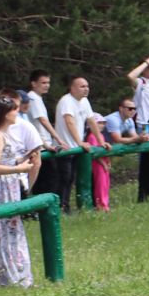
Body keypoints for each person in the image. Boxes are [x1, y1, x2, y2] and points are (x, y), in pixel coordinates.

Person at [0, 93, 41, 286]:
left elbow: (7, 159)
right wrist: (19, 169)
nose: (17, 112)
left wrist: (26, 158)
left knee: (10, 229)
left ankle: (17, 275)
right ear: (5, 114)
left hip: (9, 185)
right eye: (14, 109)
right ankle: (5, 277)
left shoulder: (4, 134)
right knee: (1, 229)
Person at [23, 71, 70, 207]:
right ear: (33, 83)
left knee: (46, 179)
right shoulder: (33, 98)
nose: (47, 85)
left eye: (48, 82)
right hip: (40, 147)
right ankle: (42, 208)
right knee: (48, 179)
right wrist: (59, 139)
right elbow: (43, 120)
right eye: (43, 82)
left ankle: (41, 208)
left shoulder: (38, 98)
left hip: (43, 144)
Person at [53, 75, 96, 211]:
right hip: (65, 147)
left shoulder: (85, 101)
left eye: (87, 86)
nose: (86, 89)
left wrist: (101, 141)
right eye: (82, 86)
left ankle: (65, 205)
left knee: (71, 178)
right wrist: (80, 142)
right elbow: (69, 122)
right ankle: (61, 206)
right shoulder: (66, 101)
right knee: (64, 178)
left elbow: (91, 121)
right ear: (72, 88)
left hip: (75, 147)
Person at [83, 114, 112, 211]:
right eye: (99, 123)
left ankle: (105, 203)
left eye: (103, 123)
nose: (102, 125)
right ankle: (100, 204)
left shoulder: (102, 136)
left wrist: (108, 161)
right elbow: (94, 153)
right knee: (100, 183)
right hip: (98, 164)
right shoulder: (92, 136)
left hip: (104, 163)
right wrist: (103, 163)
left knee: (106, 183)